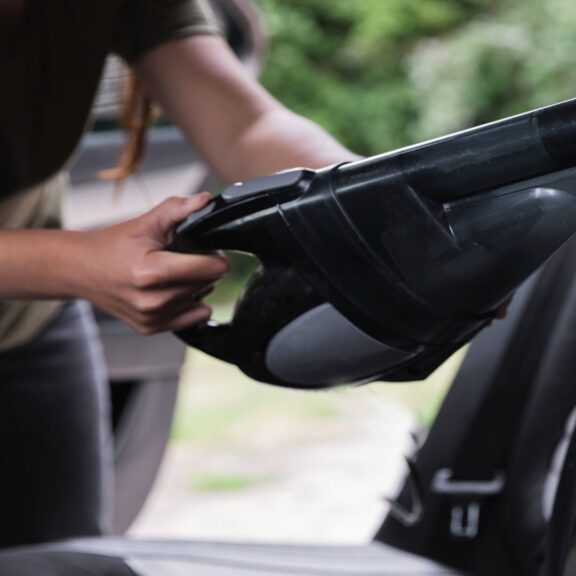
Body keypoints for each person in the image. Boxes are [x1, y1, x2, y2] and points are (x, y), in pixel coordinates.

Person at [0, 0, 358, 546]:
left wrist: (370, 202)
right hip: (42, 290)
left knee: (65, 557)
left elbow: (247, 125)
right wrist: (75, 263)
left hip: (26, 325)